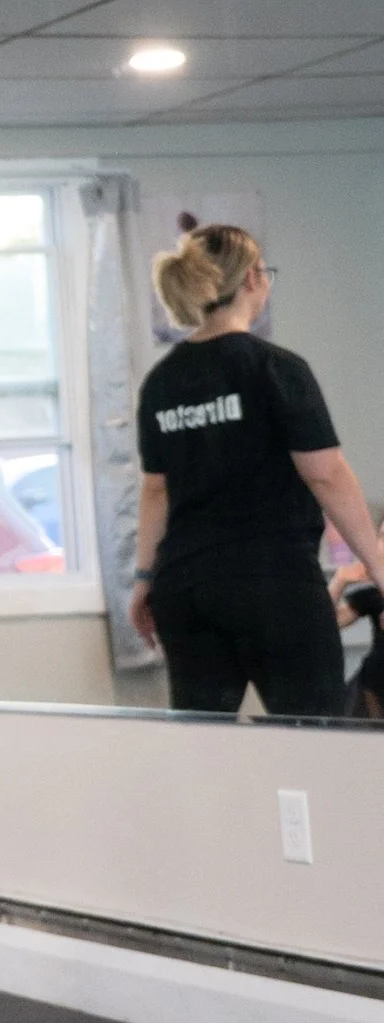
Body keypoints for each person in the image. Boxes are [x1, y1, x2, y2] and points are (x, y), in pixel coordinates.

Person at [132, 223, 384, 717]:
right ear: (252, 279)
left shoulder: (161, 382)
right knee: (313, 745)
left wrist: (144, 579)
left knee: (203, 749)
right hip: (273, 583)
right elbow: (326, 474)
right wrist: (377, 564)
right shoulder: (275, 367)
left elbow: (155, 492)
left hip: (186, 589)